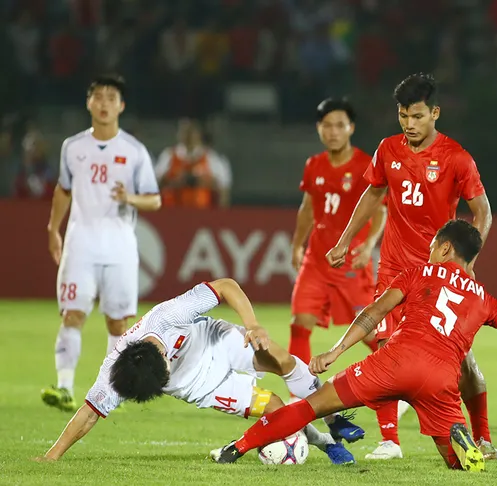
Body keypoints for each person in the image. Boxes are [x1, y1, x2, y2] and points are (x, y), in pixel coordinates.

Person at [210, 220, 497, 470]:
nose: (431, 251)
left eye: (434, 246)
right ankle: (464, 448)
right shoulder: (486, 299)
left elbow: (372, 315)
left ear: (445, 249)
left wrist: (335, 353)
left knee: (312, 406)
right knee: (457, 465)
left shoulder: (419, 272)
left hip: (391, 364)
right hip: (441, 382)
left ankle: (238, 447)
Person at [326, 73, 497, 460]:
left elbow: (482, 210)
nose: (409, 124)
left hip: (439, 276)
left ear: (435, 113)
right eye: (403, 116)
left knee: (463, 363)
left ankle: (483, 438)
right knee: (387, 348)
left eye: (417, 116)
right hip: (394, 269)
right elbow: (373, 193)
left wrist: (467, 262)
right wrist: (344, 240)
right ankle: (390, 440)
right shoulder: (388, 149)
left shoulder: (457, 157)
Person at [34, 279, 356, 465]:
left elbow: (227, 286)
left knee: (282, 359)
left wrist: (252, 324)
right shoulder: (118, 373)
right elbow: (89, 413)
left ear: (161, 352)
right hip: (201, 388)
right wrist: (51, 458)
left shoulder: (171, 314)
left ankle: (332, 417)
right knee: (274, 408)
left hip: (215, 341)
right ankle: (325, 443)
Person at [42, 74, 162, 412]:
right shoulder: (73, 147)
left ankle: (112, 389)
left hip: (120, 246)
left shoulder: (134, 151)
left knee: (118, 323)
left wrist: (130, 197)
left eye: (112, 97)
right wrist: (53, 229)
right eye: (99, 96)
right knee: (72, 314)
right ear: (89, 102)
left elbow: (155, 200)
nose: (105, 102)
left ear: (121, 105)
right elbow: (63, 190)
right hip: (80, 243)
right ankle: (64, 386)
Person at [289, 97, 386, 443]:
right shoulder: (313, 165)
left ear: (351, 128)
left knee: (372, 335)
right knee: (300, 323)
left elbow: (380, 209)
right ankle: (300, 395)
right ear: (319, 129)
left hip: (349, 263)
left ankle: (394, 379)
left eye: (339, 125)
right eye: (326, 125)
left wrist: (370, 243)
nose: (332, 131)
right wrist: (297, 243)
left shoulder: (365, 164)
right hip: (317, 259)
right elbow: (307, 208)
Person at [155, 119, 232, 208]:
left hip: (202, 212)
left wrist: (202, 181)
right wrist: (174, 181)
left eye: (191, 132)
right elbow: (155, 185)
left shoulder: (211, 158)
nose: (188, 136)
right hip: (173, 211)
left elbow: (223, 189)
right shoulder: (168, 156)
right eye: (184, 132)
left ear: (198, 134)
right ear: (178, 134)